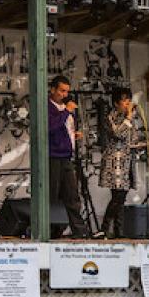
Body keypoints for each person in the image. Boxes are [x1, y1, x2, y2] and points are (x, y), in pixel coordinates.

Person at [96, 88, 144, 238]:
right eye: (124, 100)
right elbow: (117, 133)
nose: (128, 103)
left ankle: (119, 231)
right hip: (115, 162)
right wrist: (129, 118)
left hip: (127, 161)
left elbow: (131, 138)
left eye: (129, 99)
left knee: (121, 198)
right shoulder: (110, 116)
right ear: (116, 103)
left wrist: (139, 144)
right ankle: (105, 228)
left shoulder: (130, 118)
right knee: (118, 196)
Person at [48, 75, 90, 237]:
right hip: (52, 156)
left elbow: (62, 127)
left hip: (66, 156)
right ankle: (51, 230)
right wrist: (66, 111)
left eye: (67, 91)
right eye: (61, 91)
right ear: (53, 89)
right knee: (52, 194)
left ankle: (80, 231)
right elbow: (51, 126)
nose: (65, 94)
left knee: (72, 194)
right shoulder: (48, 106)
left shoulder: (65, 108)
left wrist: (73, 135)